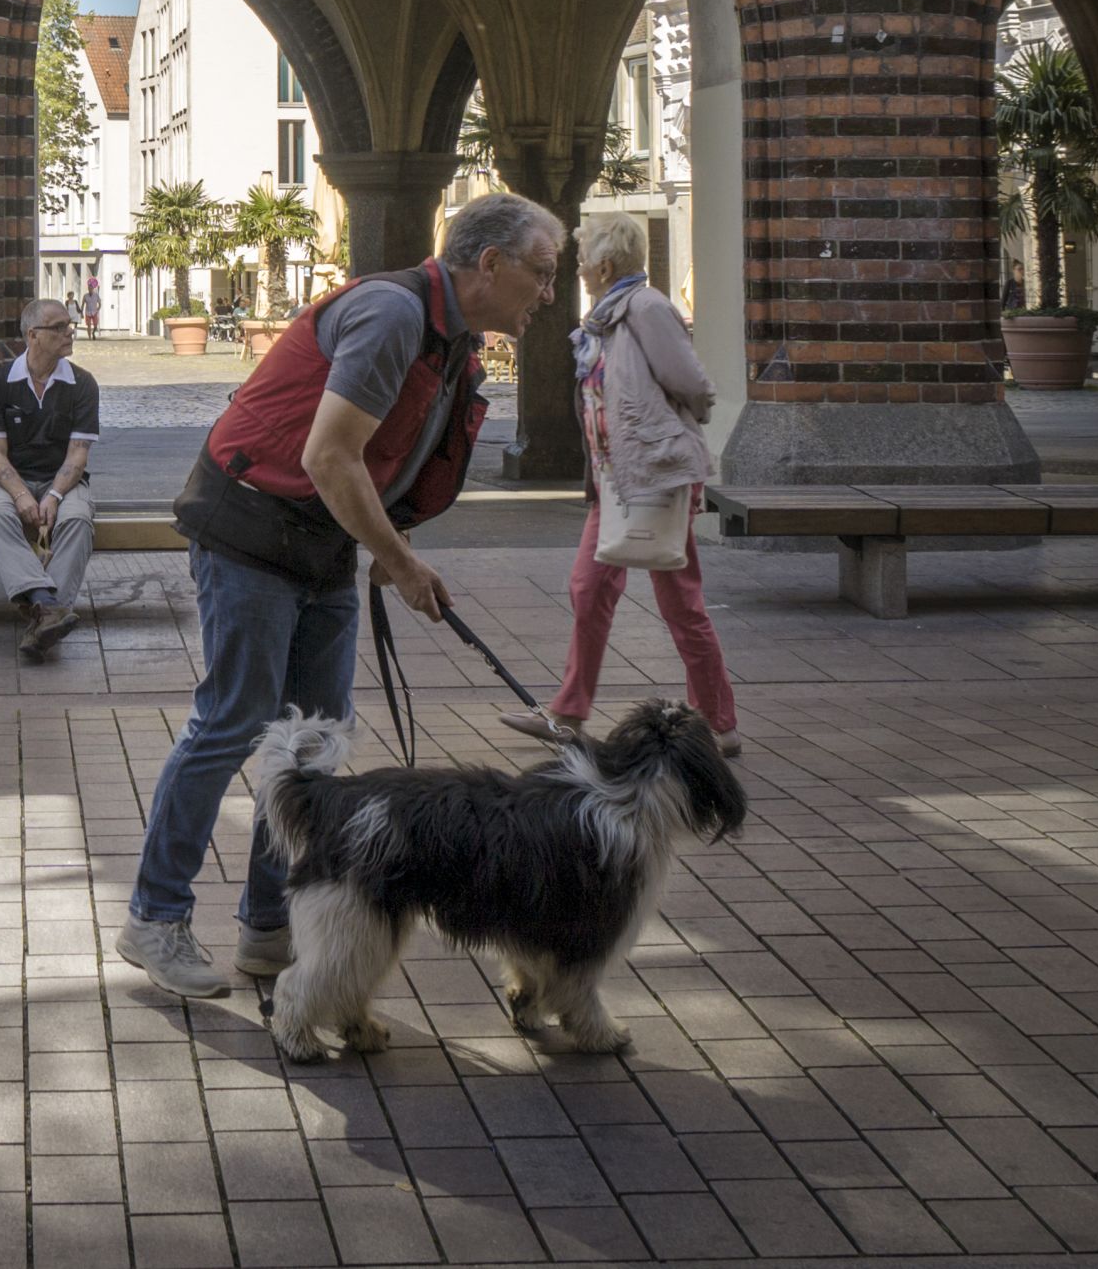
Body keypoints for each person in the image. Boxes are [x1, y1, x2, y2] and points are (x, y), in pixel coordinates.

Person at [121, 191, 564, 998]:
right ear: (489, 264)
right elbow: (331, 455)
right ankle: (155, 916)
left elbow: (377, 467)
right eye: (540, 273)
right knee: (233, 723)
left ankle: (269, 926)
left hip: (318, 544)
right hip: (252, 526)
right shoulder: (395, 316)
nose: (548, 293)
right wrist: (397, 560)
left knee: (314, 742)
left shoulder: (453, 344)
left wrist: (380, 548)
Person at [500, 213, 741, 758]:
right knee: (589, 589)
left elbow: (694, 385)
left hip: (655, 476)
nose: (578, 270)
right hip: (615, 481)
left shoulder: (648, 308)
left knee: (681, 604)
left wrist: (669, 432)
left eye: (583, 260)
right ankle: (567, 713)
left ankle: (719, 723)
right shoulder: (605, 319)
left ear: (606, 265)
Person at [0, 297, 102, 661]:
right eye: (60, 327)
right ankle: (49, 607)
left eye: (70, 324)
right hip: (12, 481)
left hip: (63, 482)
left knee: (79, 519)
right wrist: (20, 495)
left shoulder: (82, 383)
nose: (70, 331)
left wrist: (54, 496)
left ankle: (44, 613)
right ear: (33, 335)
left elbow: (78, 454)